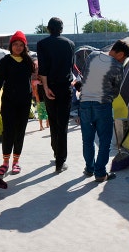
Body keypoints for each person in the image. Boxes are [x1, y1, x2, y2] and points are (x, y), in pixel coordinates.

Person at [78, 39, 129, 182]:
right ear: (120, 54)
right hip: (102, 105)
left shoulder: (92, 56)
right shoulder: (117, 66)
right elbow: (116, 90)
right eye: (124, 58)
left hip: (84, 104)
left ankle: (89, 168)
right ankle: (100, 173)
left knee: (87, 140)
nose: (123, 61)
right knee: (104, 140)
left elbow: (84, 75)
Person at [0, 31, 35, 177]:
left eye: (21, 45)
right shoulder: (5, 61)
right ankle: (5, 162)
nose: (18, 47)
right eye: (15, 44)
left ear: (24, 46)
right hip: (8, 102)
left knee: (20, 132)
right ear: (11, 45)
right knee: (8, 132)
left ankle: (16, 162)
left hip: (24, 102)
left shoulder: (28, 62)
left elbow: (34, 78)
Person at [37, 17, 75, 173]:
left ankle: (56, 152)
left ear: (48, 28)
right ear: (61, 28)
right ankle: (60, 160)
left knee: (53, 121)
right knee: (63, 123)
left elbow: (43, 69)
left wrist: (45, 88)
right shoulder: (70, 44)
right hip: (65, 87)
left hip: (50, 88)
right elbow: (70, 67)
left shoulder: (42, 44)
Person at [31, 60, 49, 130]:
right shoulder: (36, 82)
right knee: (41, 113)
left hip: (45, 98)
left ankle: (47, 123)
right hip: (40, 99)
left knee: (47, 111)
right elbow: (35, 91)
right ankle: (41, 126)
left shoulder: (45, 82)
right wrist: (37, 99)